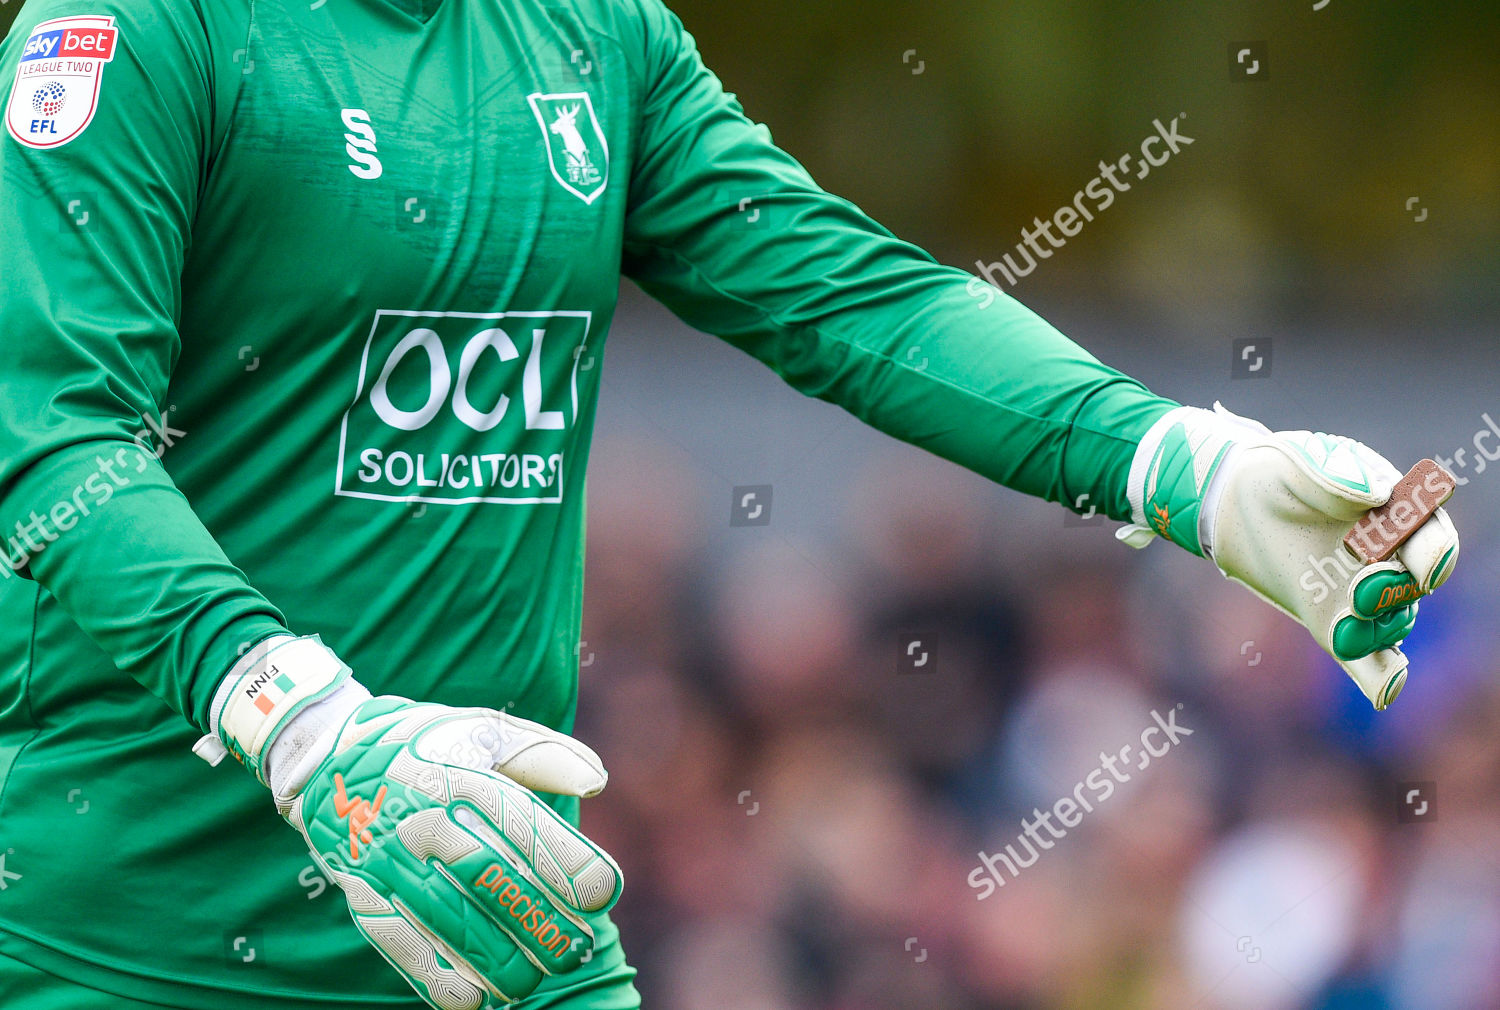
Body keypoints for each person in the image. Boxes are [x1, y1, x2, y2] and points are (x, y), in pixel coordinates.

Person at [0, 0, 1458, 1007]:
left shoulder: (597, 31)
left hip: (500, 918)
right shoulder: (134, 26)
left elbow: (844, 289)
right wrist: (298, 717)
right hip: (133, 933)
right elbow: (53, 439)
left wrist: (1176, 463)